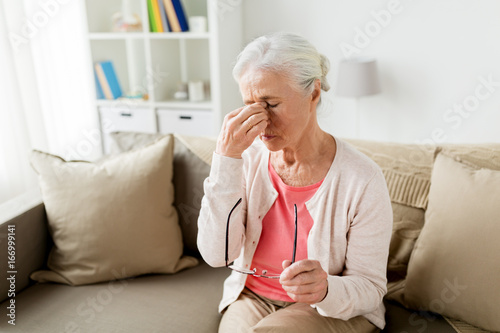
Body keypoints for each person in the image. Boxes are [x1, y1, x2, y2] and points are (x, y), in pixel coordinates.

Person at [197, 32, 393, 333]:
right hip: (252, 297)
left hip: (329, 309)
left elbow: (370, 288)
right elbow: (216, 255)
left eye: (271, 104)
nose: (259, 120)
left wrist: (325, 288)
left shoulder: (362, 178)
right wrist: (226, 160)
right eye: (249, 104)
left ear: (313, 93)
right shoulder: (244, 161)